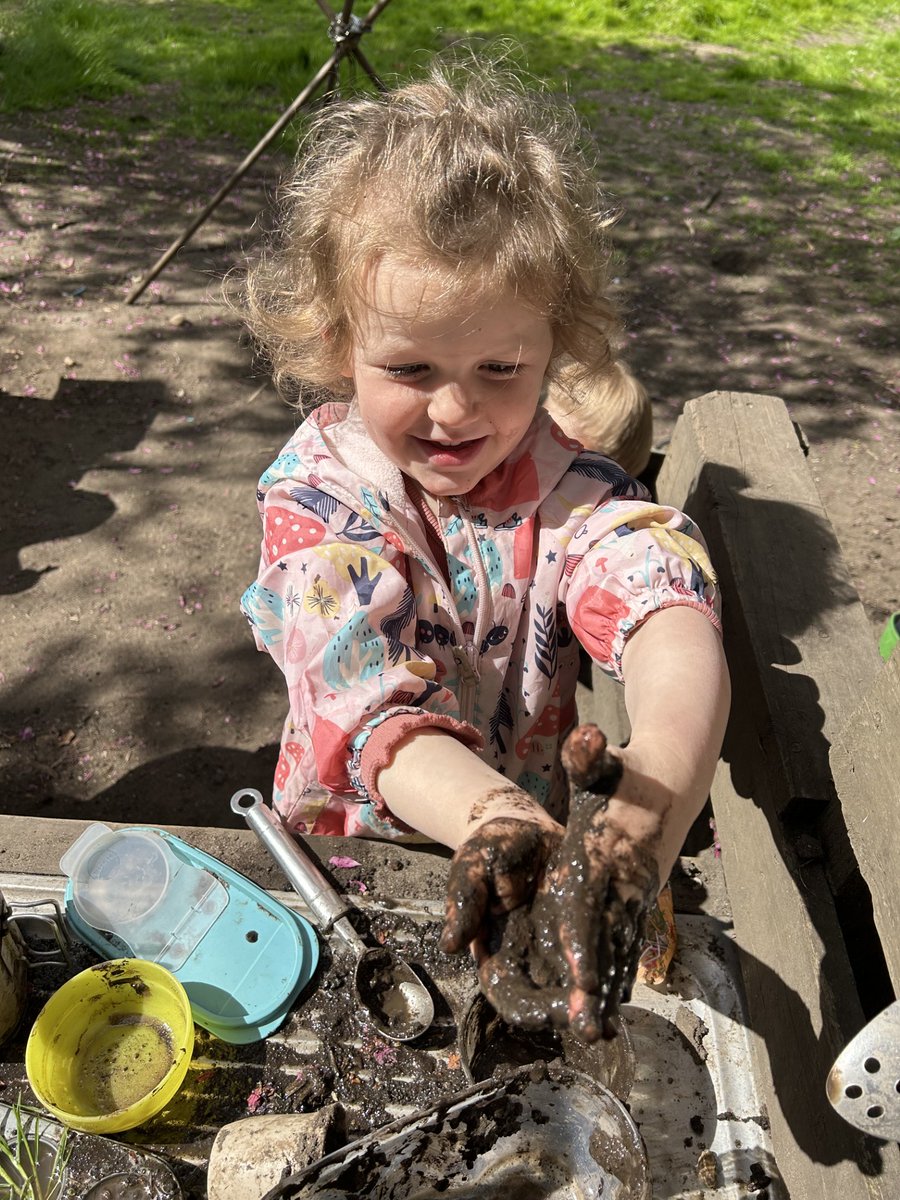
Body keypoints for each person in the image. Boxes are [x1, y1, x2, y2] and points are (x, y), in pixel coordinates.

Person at [237, 59, 730, 1043]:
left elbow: (666, 605)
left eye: (500, 368)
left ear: (554, 349)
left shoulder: (571, 490)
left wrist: (640, 817)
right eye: (411, 368)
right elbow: (362, 696)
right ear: (340, 343)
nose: (456, 410)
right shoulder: (318, 500)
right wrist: (496, 817)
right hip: (356, 858)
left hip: (518, 853)